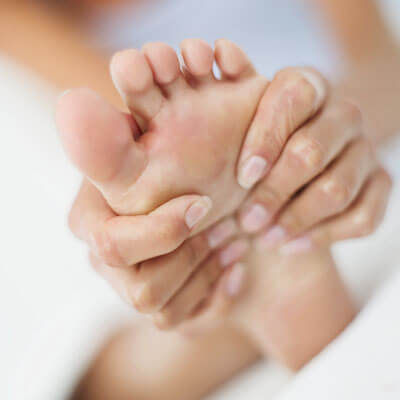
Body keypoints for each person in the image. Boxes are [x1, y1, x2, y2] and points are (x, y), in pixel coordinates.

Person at [1, 1, 397, 399]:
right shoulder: (16, 18)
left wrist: (318, 119)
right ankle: (247, 270)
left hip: (329, 118)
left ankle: (247, 275)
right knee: (110, 363)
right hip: (218, 180)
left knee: (149, 335)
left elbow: (385, 69)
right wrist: (135, 214)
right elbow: (143, 142)